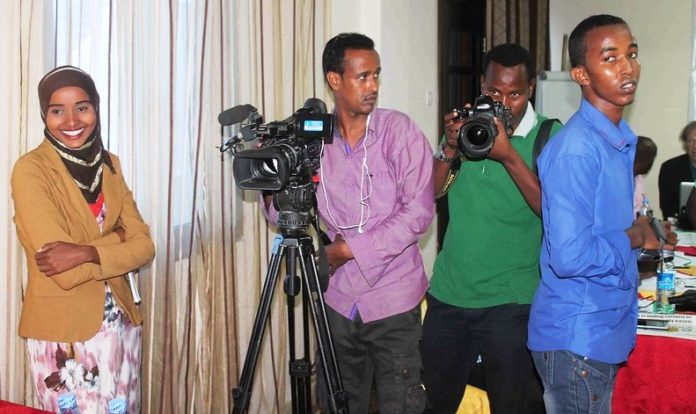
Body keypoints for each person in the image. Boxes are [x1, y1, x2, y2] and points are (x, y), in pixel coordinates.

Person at [262, 33, 433, 413]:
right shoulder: (314, 141)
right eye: (362, 77)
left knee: (401, 403)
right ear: (335, 80)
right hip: (338, 299)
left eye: (377, 75)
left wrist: (346, 250)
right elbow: (283, 215)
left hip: (394, 298)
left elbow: (418, 213)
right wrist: (272, 181)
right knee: (339, 402)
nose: (372, 86)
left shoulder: (399, 132)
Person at [528, 15, 676, 413]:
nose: (627, 67)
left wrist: (647, 233)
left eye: (632, 54)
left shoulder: (619, 141)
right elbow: (570, 256)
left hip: (603, 325)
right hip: (578, 335)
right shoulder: (577, 150)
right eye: (610, 58)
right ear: (581, 74)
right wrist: (633, 236)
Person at [423, 43, 561, 414]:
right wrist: (450, 147)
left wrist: (508, 155)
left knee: (514, 406)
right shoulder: (469, 127)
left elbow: (553, 211)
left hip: (512, 301)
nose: (504, 102)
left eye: (515, 93)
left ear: (530, 88)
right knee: (435, 402)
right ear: (482, 86)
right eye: (494, 92)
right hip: (449, 293)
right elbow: (433, 193)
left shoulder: (548, 134)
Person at [11, 66, 155, 413]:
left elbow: (145, 247)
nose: (71, 120)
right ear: (44, 114)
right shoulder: (30, 171)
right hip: (66, 338)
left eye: (83, 106)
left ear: (96, 109)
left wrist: (86, 251)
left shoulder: (110, 164)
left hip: (120, 326)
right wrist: (117, 239)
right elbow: (63, 271)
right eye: (57, 110)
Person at [658, 121, 696, 220]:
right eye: (691, 141)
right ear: (685, 144)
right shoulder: (670, 168)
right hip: (681, 226)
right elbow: (666, 207)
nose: (695, 146)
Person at [633, 135, 658, 215]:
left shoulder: (639, 178)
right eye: (649, 158)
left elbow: (641, 208)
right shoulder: (618, 180)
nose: (650, 164)